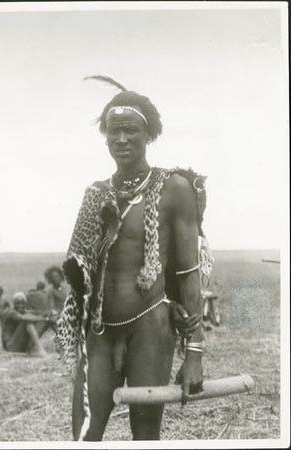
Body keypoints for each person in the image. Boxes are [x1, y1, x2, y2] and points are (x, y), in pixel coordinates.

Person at [55, 76, 213, 441]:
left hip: (150, 327)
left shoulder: (175, 188)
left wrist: (195, 354)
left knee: (144, 436)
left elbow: (189, 274)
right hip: (99, 331)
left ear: (149, 135)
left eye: (130, 131)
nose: (121, 139)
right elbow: (80, 272)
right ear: (105, 136)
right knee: (84, 434)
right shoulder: (95, 195)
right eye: (114, 131)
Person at [1, 292, 51, 357]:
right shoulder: (11, 313)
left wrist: (49, 313)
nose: (20, 306)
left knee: (47, 320)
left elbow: (37, 312)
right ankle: (40, 349)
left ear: (25, 304)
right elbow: (24, 318)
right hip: (10, 346)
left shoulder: (24, 311)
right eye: (18, 304)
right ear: (14, 304)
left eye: (22, 303)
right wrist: (44, 319)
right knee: (27, 321)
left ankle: (64, 344)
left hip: (19, 345)